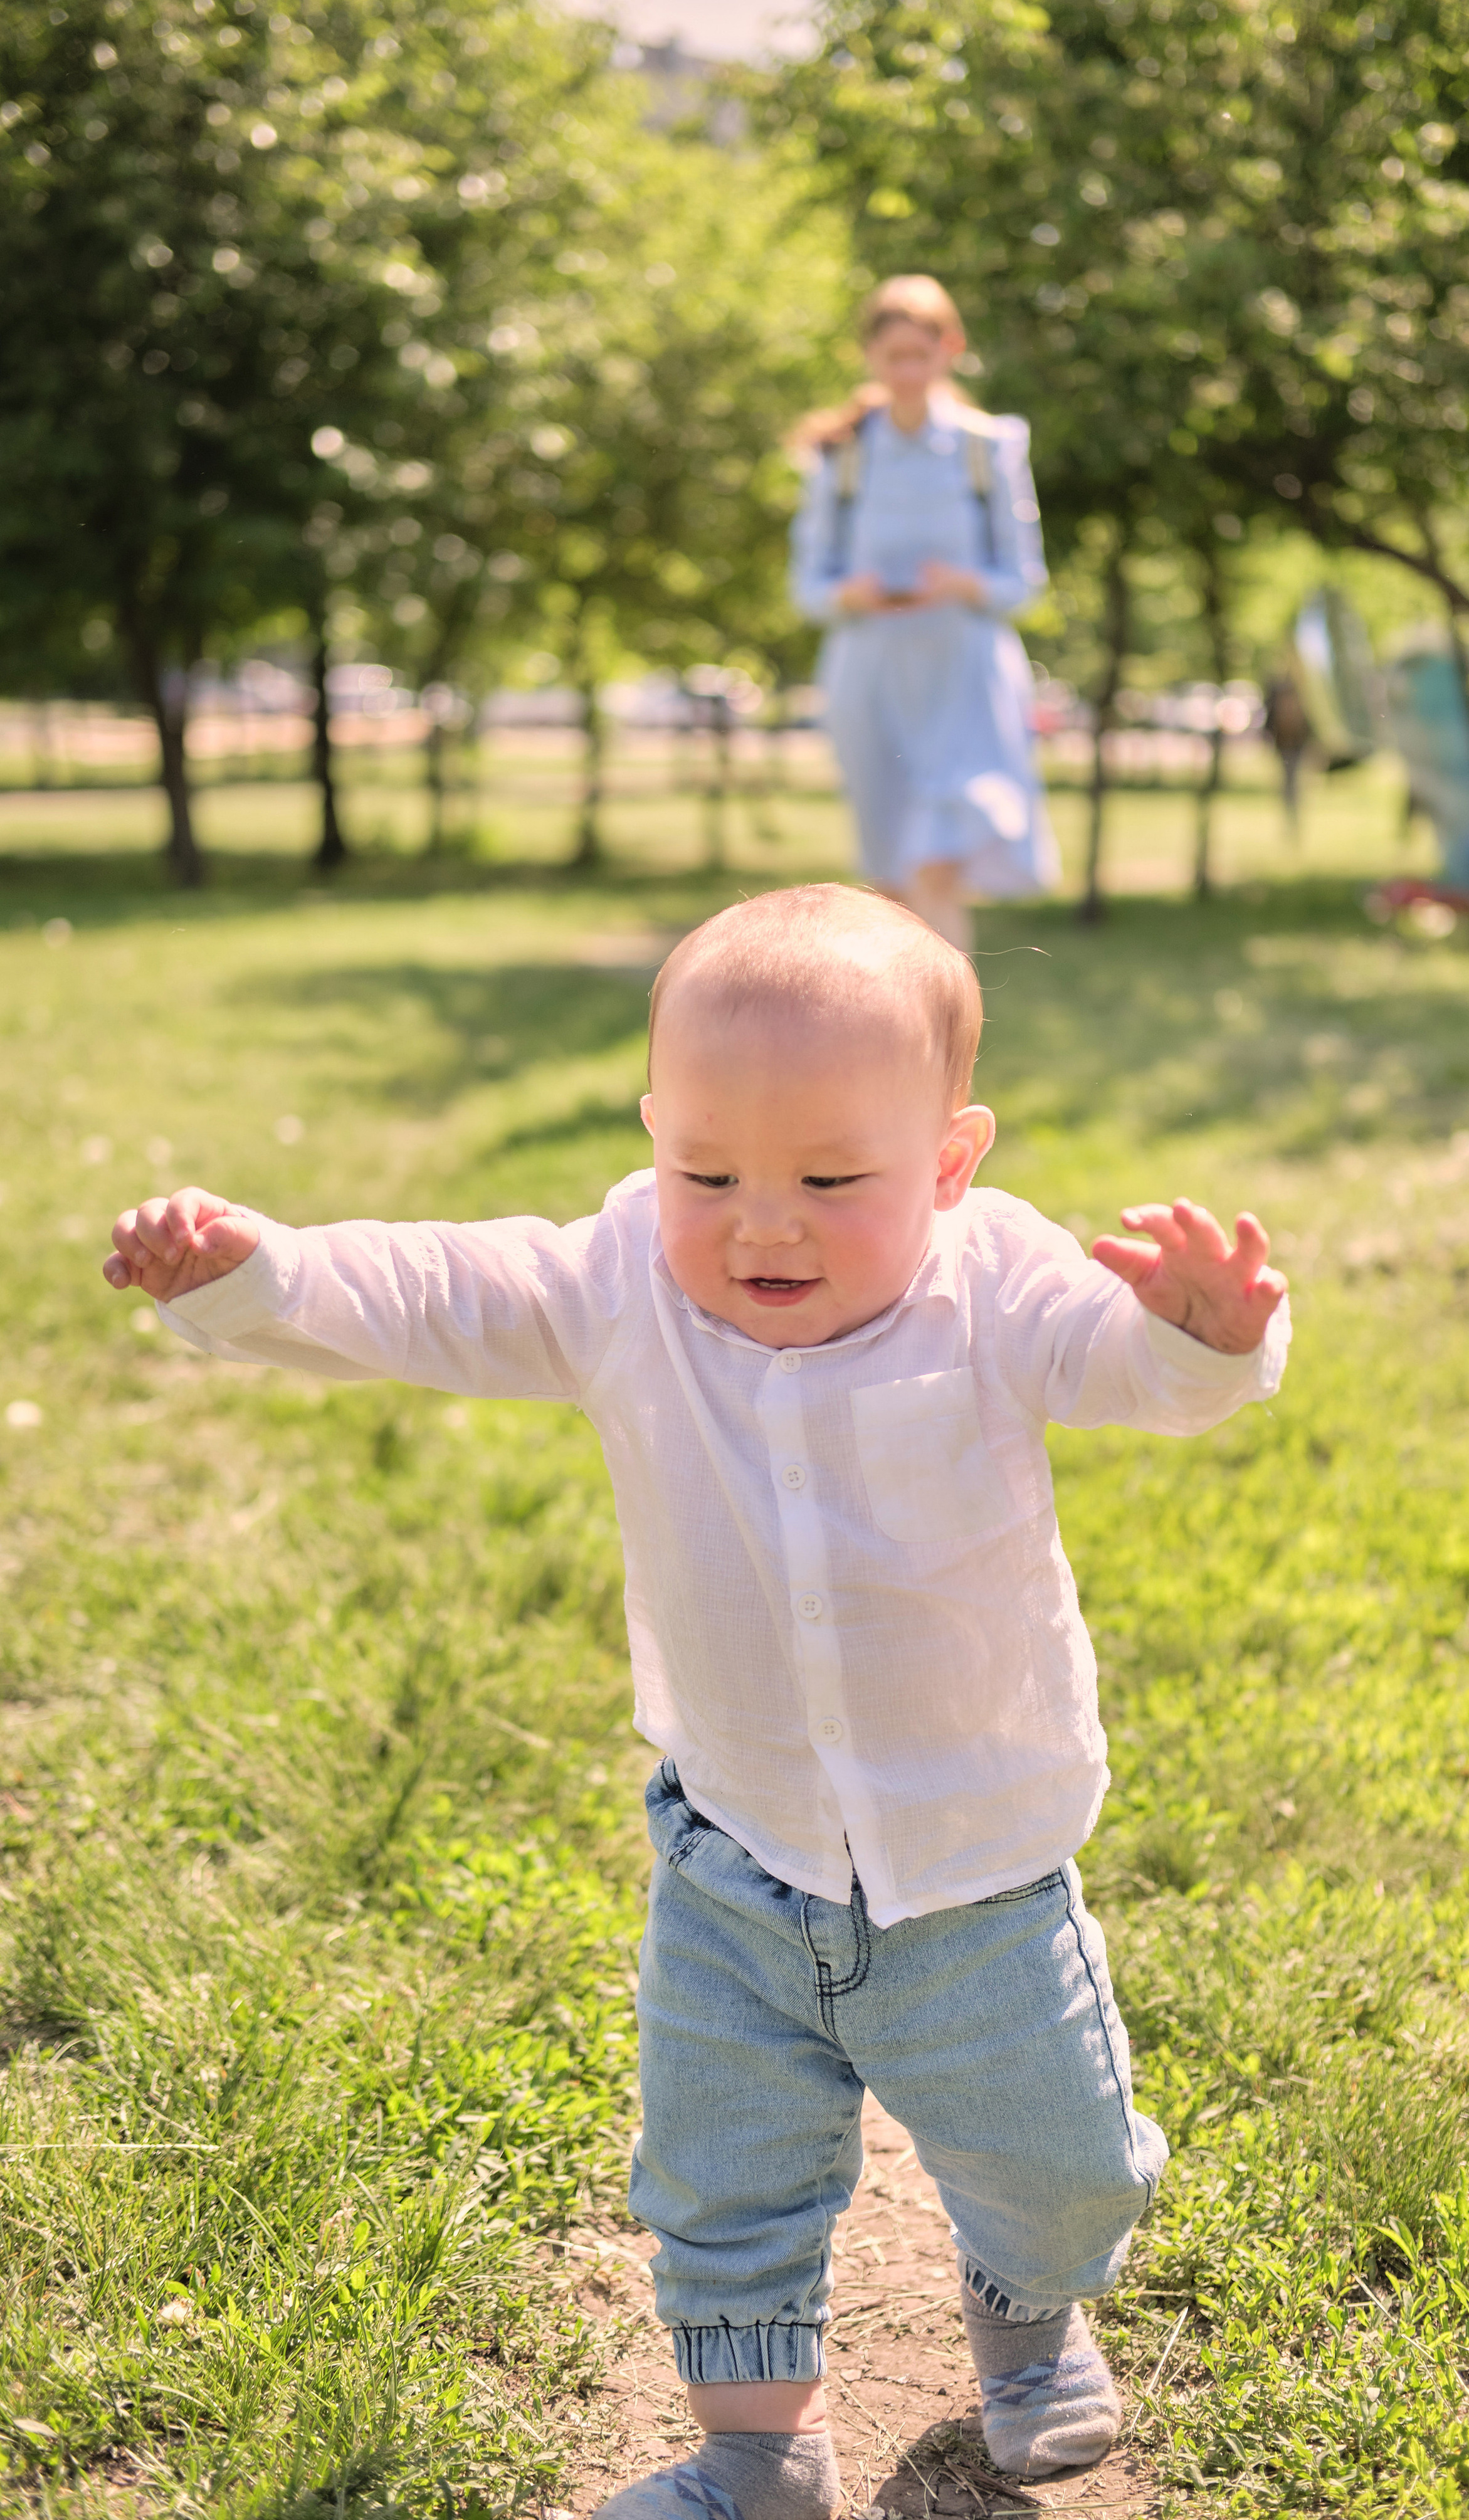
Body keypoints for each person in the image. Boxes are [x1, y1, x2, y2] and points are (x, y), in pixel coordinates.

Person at [103, 884, 1289, 2517]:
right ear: (655, 1135)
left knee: (1059, 2163)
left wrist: (1205, 1340)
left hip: (975, 1869)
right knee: (721, 2179)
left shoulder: (997, 1285)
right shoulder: (621, 1280)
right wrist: (263, 1270)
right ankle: (758, 2453)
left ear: (949, 1162)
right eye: (708, 1174)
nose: (762, 1226)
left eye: (831, 1180)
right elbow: (441, 1289)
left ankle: (1025, 2311)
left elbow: (1125, 1363)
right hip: (733, 1858)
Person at [790, 277, 1061, 954]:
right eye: (894, 357)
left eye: (921, 354)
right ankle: (896, 1017)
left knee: (939, 864)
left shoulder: (987, 447)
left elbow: (1023, 582)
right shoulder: (841, 453)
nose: (908, 371)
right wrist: (848, 595)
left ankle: (950, 1015)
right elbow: (808, 585)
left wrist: (964, 584)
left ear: (950, 349)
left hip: (961, 675)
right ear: (870, 357)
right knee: (888, 880)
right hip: (871, 674)